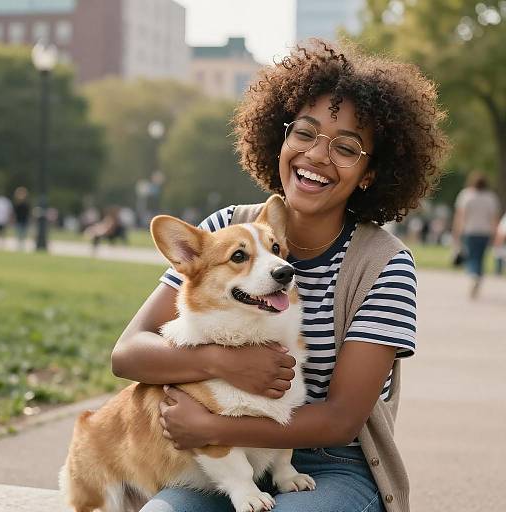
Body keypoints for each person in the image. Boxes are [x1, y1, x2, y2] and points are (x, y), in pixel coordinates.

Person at [111, 40, 448, 512]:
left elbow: (341, 420)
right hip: (215, 463)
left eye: (347, 147)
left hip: (333, 464)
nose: (317, 155)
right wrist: (223, 364)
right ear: (280, 138)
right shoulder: (224, 228)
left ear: (371, 173)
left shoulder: (385, 265)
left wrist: (215, 428)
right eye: (305, 133)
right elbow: (129, 353)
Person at [452, 172, 500, 298]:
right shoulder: (491, 197)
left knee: (472, 256)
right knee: (480, 257)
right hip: (485, 233)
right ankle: (477, 275)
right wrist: (496, 235)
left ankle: (473, 275)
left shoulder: (466, 195)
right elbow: (494, 218)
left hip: (470, 231)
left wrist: (456, 233)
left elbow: (460, 217)